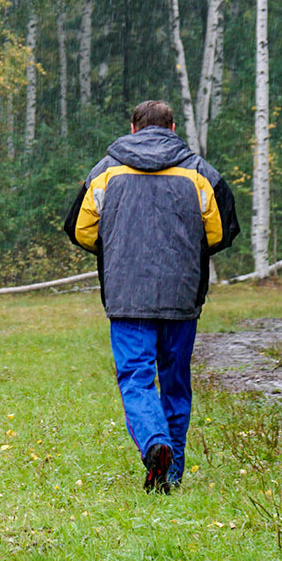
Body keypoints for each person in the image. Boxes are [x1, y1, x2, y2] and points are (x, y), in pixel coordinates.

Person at [64, 100, 240, 493]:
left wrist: (121, 248)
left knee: (137, 379)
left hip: (128, 297)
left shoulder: (106, 171)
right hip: (181, 296)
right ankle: (170, 473)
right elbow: (220, 233)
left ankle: (153, 443)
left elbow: (81, 230)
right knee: (175, 382)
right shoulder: (198, 172)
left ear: (133, 128)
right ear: (173, 127)